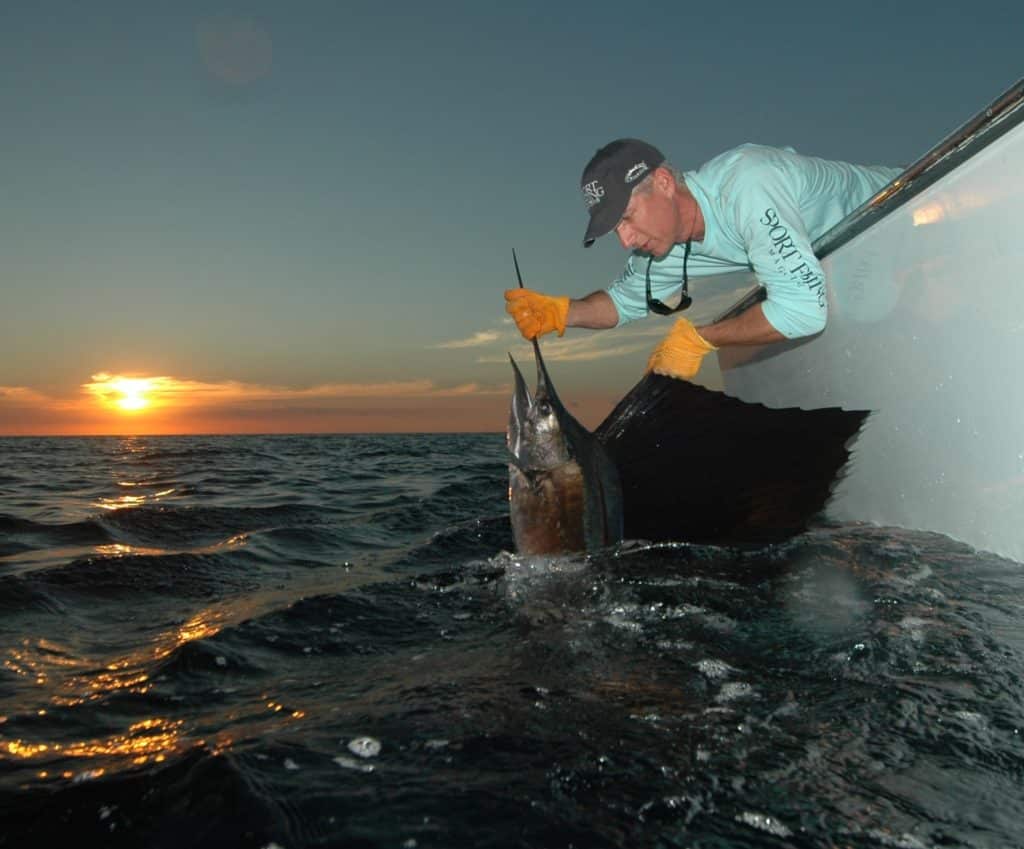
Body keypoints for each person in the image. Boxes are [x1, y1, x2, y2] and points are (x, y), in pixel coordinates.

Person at [505, 139, 902, 379]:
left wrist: (701, 340)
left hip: (914, 209)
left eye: (626, 218)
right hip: (857, 260)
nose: (625, 241)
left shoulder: (747, 183)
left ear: (662, 183)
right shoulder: (661, 248)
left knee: (870, 305)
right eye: (614, 231)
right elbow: (620, 305)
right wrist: (563, 312)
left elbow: (803, 312)